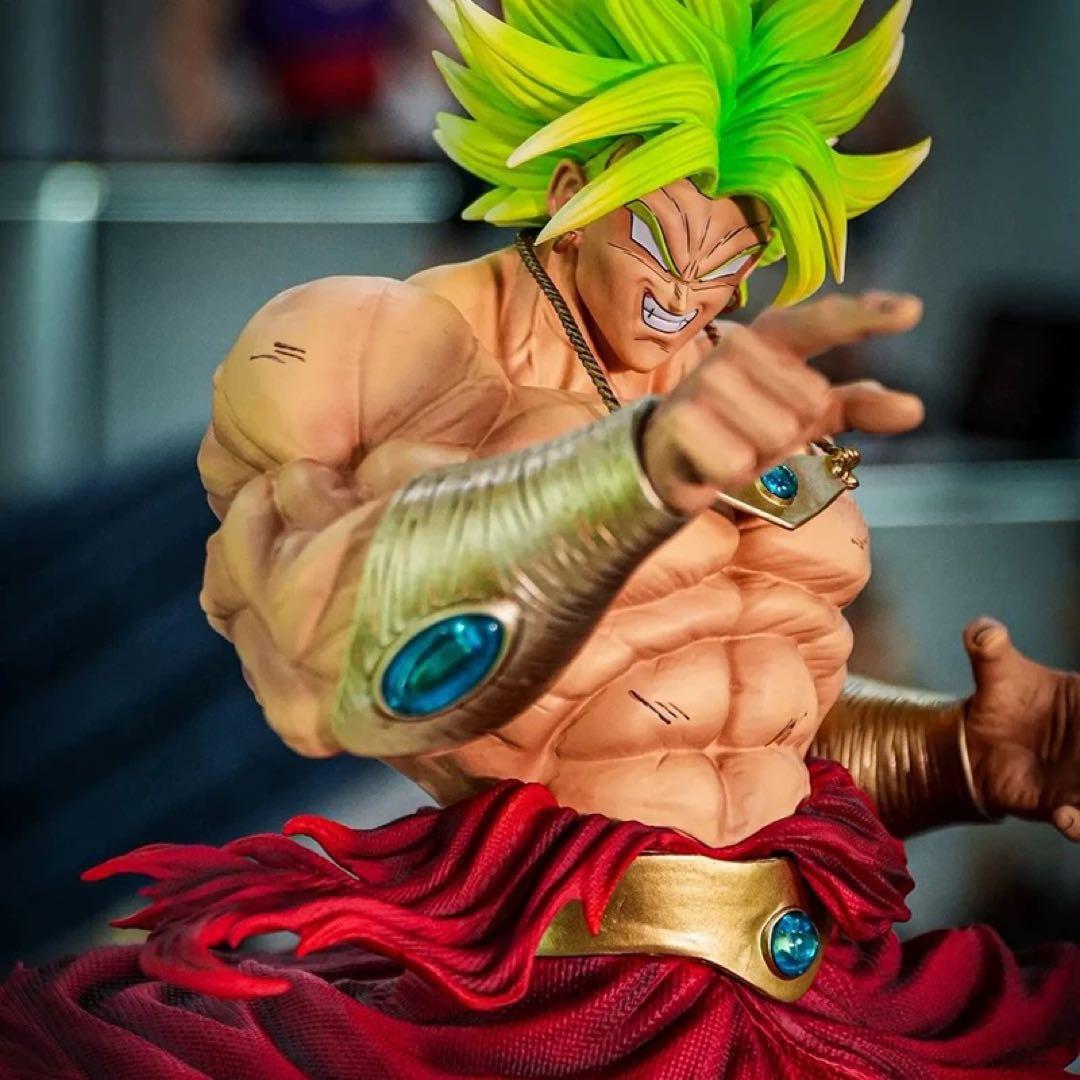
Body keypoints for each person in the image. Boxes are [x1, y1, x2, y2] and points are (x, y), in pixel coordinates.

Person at [2, 1, 1078, 1076]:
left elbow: (712, 735)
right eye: (663, 236)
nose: (694, 293)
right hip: (499, 1007)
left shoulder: (741, 389)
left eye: (746, 247)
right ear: (570, 189)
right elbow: (348, 668)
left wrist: (961, 754)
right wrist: (626, 479)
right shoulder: (377, 351)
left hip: (769, 1012)